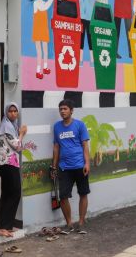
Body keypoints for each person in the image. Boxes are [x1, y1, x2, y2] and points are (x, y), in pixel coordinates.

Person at [51, 99, 91, 234]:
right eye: (60, 109)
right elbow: (56, 147)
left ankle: (81, 222)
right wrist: (54, 166)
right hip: (64, 168)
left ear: (71, 110)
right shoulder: (57, 127)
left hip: (80, 166)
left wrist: (87, 163)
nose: (62, 111)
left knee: (83, 193)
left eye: (65, 109)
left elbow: (85, 145)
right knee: (63, 196)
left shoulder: (80, 125)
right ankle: (69, 223)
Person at [0, 103, 27, 238]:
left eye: (15, 111)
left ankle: (5, 226)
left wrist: (18, 133)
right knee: (15, 193)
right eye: (10, 111)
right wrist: (21, 134)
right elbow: (17, 146)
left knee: (8, 194)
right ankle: (4, 226)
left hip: (8, 164)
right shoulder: (7, 126)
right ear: (6, 113)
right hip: (8, 164)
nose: (13, 114)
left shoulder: (9, 126)